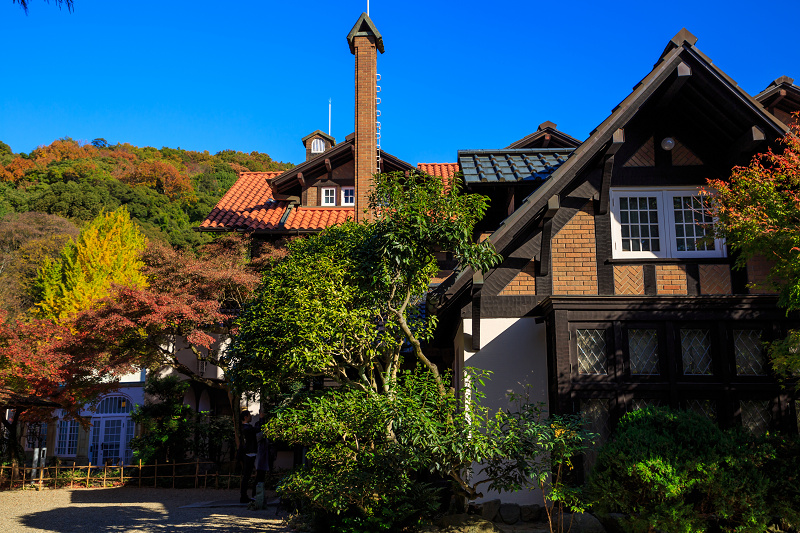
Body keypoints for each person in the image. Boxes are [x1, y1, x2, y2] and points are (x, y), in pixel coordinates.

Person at [237, 410, 257, 503]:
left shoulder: (243, 428)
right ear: (246, 417)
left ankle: (244, 495)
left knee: (246, 475)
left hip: (246, 453)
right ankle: (244, 496)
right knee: (246, 475)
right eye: (249, 416)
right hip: (249, 453)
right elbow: (255, 431)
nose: (251, 417)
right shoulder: (247, 428)